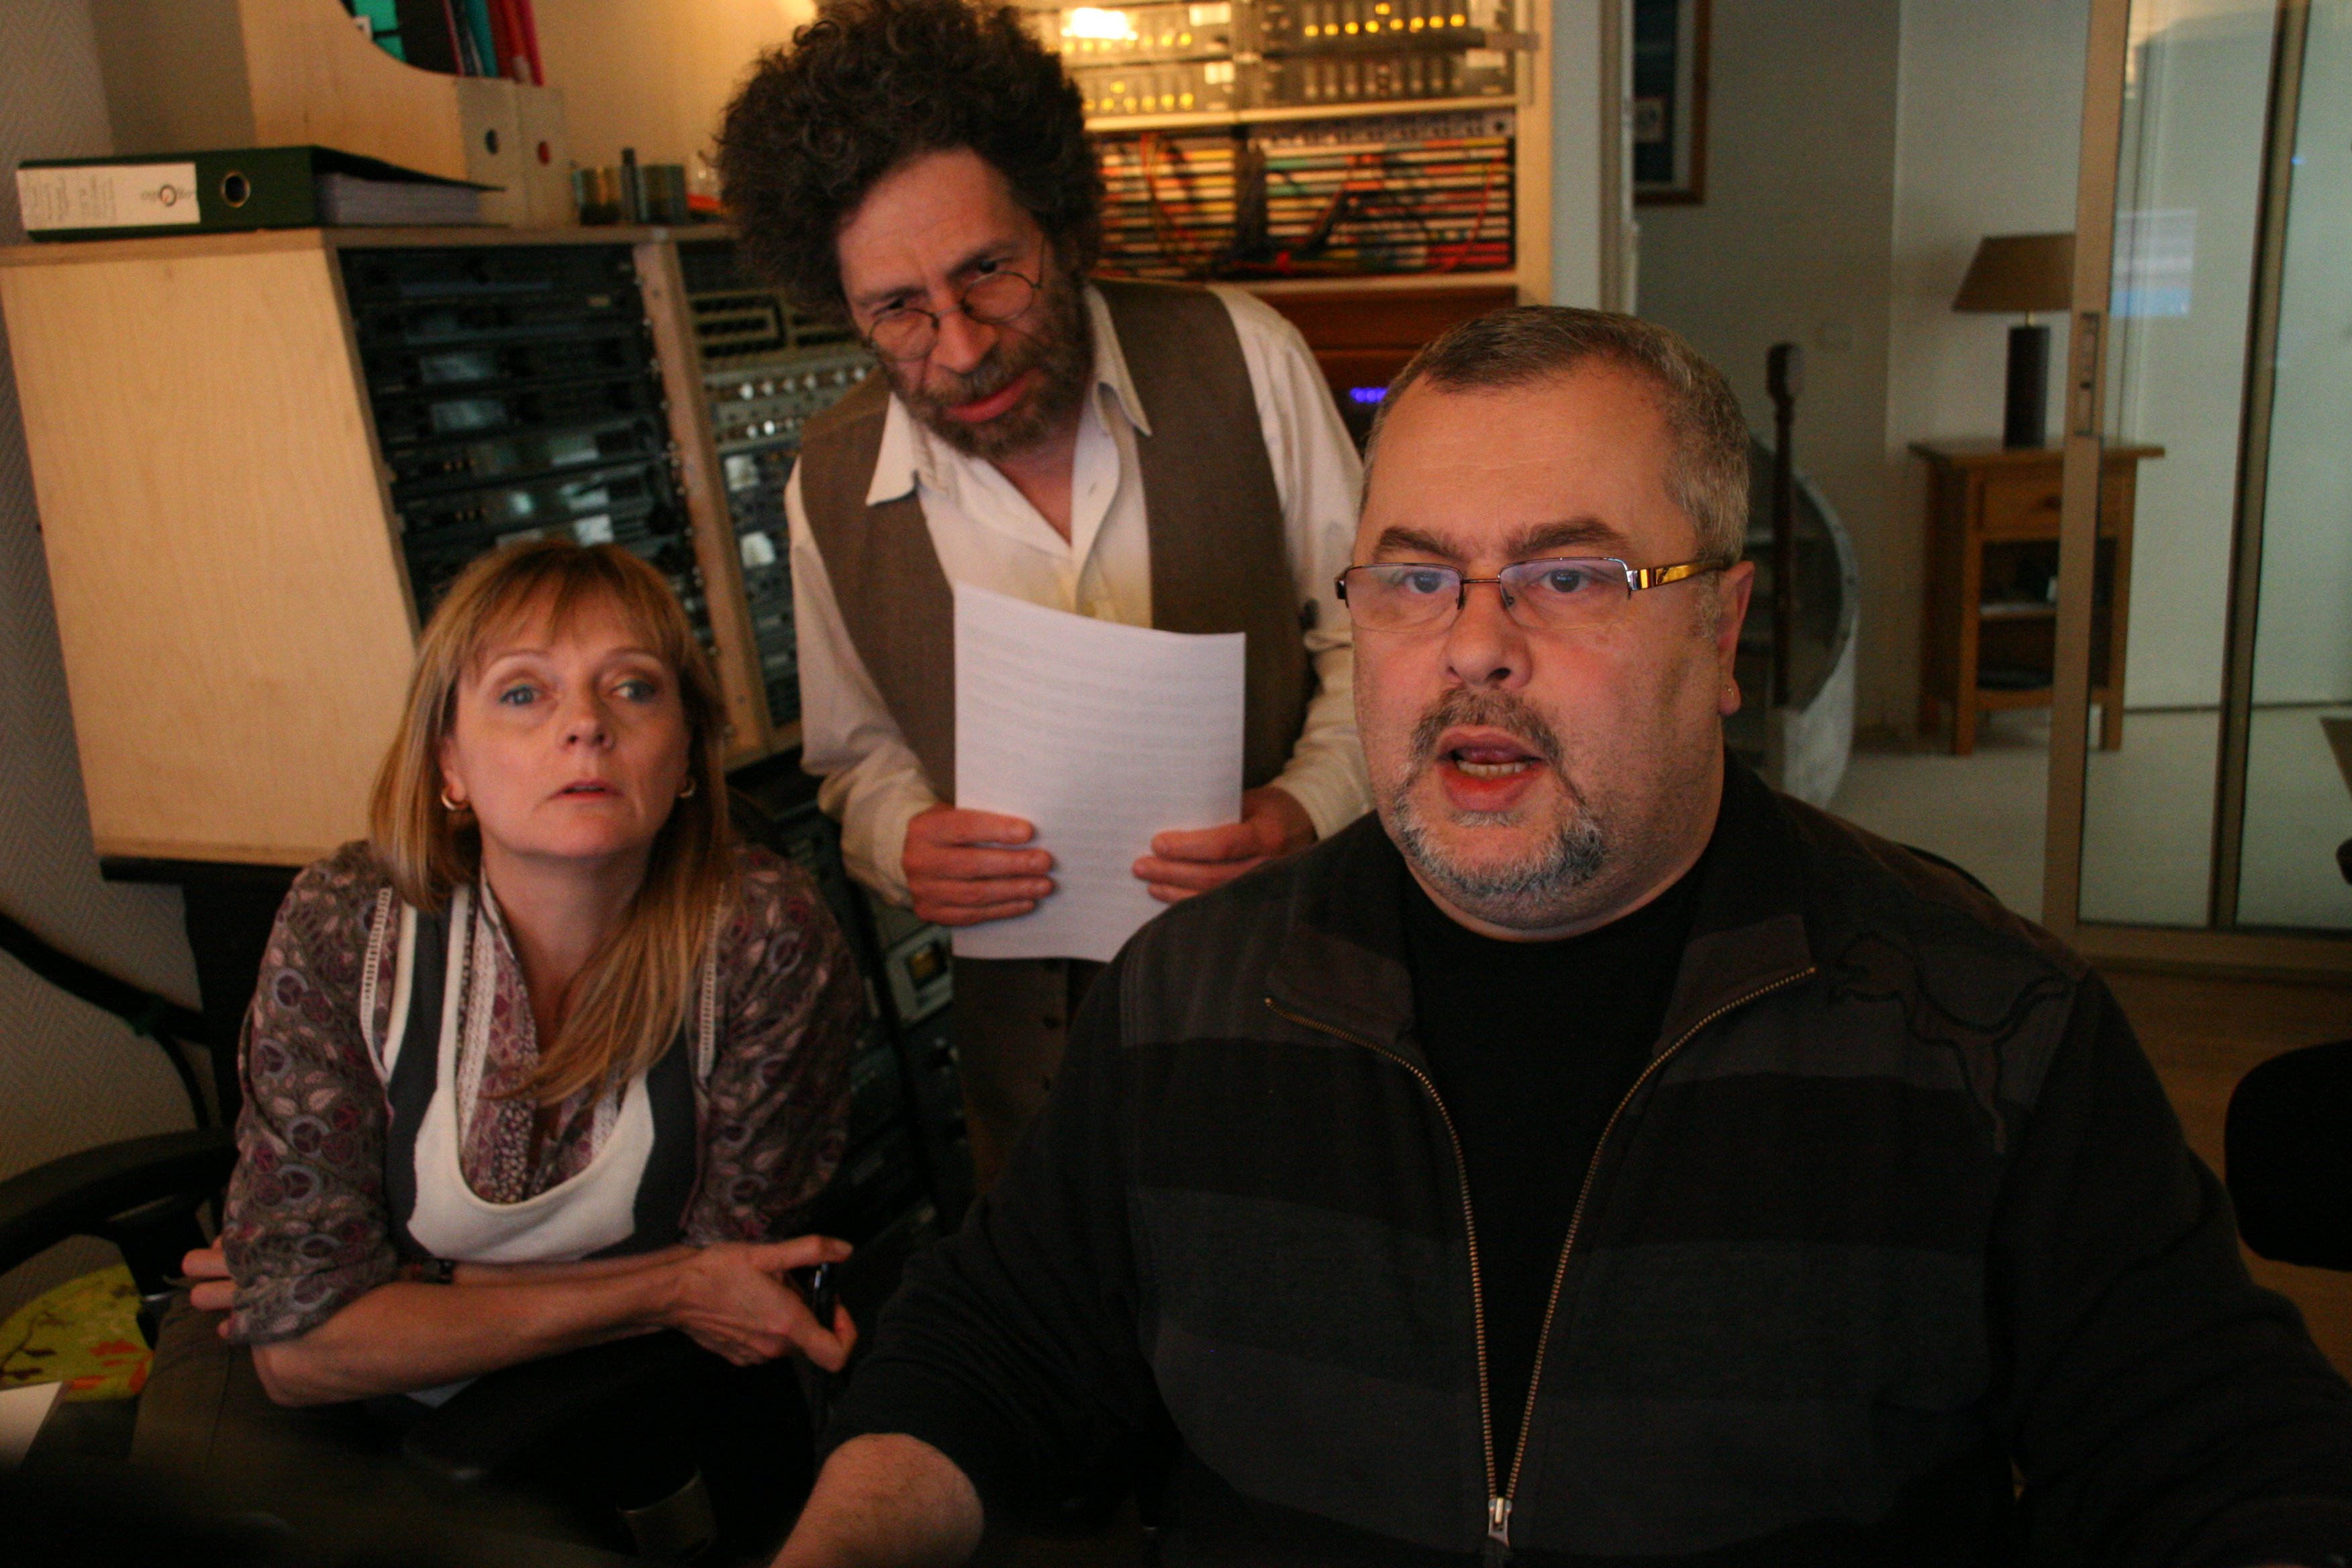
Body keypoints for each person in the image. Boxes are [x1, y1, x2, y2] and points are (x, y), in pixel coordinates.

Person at [769, 309, 2352, 1567]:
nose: (1474, 645)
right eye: (1415, 578)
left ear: (1723, 630)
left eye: (1570, 575)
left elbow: (2219, 1451)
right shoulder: (1186, 999)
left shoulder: (1985, 1026)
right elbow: (986, 1348)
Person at [716, 0, 1371, 1186]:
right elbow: (859, 756)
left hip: (1301, 1013)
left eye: (988, 273)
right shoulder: (831, 479)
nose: (961, 347)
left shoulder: (1245, 358)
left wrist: (1303, 810)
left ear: (1064, 226)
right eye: (898, 310)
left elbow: (1381, 646)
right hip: (1034, 1077)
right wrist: (901, 843)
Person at [166, 540, 863, 1553]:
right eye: (524, 693)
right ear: (450, 762)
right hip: (332, 1414)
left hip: (610, 1405)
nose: (586, 724)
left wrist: (395, 1289)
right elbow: (302, 1353)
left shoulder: (764, 933)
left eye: (633, 687)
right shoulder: (345, 921)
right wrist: (668, 1288)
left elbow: (742, 1285)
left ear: (685, 756)